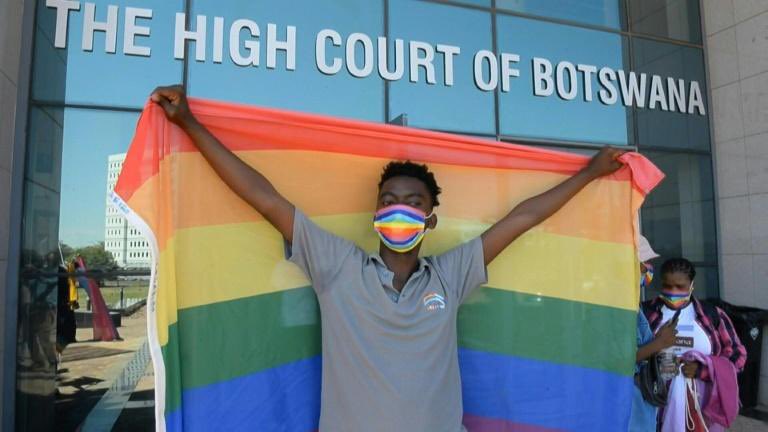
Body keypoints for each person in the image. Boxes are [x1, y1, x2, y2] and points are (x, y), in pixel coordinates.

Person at [150, 85, 625, 431]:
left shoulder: (451, 275)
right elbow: (264, 197)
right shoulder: (337, 266)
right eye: (389, 200)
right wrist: (189, 123)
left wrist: (588, 174)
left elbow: (523, 217)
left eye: (414, 203)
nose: (401, 209)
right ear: (376, 214)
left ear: (430, 220)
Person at [642, 258, 747, 431]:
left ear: (692, 285)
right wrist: (656, 361)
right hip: (654, 403)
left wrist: (703, 370)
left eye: (680, 287)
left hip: (701, 406)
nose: (673, 292)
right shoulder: (645, 314)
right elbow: (629, 354)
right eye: (667, 286)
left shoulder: (711, 315)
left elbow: (738, 355)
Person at [630, 236, 676, 431]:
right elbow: (622, 359)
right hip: (631, 402)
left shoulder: (633, 304)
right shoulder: (622, 309)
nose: (648, 270)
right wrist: (660, 343)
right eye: (645, 264)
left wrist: (659, 342)